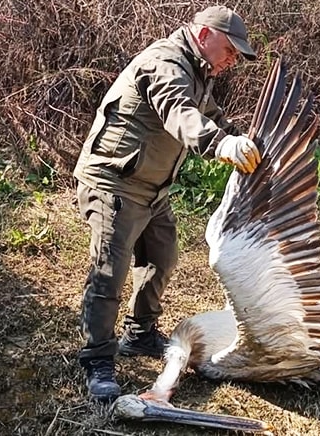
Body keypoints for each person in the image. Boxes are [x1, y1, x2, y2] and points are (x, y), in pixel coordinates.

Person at [72, 5, 261, 402]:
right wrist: (221, 145)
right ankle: (97, 360)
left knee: (162, 257)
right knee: (110, 273)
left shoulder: (198, 71)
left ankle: (140, 335)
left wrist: (244, 139)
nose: (231, 61)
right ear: (206, 35)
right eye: (230, 50)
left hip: (151, 188)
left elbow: (211, 115)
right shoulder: (165, 62)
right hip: (114, 182)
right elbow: (180, 113)